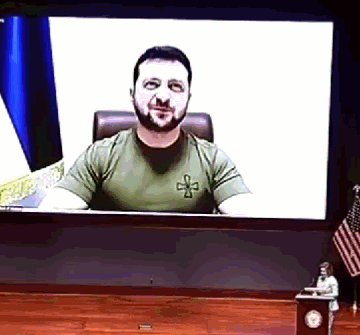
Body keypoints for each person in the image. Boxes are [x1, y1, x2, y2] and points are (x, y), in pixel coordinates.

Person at [39, 45, 261, 215]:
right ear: (132, 94)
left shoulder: (213, 160)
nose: (163, 96)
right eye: (151, 84)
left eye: (175, 87)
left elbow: (252, 220)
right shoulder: (101, 155)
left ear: (188, 98)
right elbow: (50, 215)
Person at [311, 262, 338, 335]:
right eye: (321, 271)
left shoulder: (332, 280)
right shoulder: (319, 279)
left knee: (328, 326)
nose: (322, 273)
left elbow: (335, 294)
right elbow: (318, 289)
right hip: (321, 305)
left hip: (330, 306)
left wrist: (325, 295)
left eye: (323, 271)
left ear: (328, 271)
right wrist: (315, 293)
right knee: (320, 324)